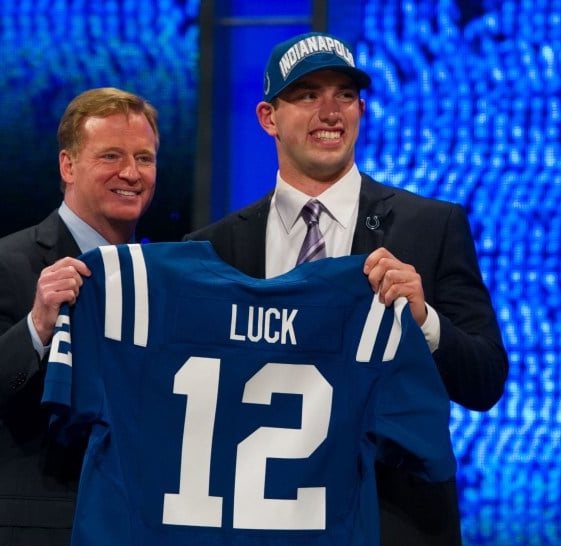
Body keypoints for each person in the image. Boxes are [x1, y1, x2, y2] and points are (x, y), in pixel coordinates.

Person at [184, 31, 508, 545]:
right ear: (269, 117)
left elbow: (487, 379)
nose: (330, 111)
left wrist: (423, 322)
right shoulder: (213, 249)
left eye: (345, 95)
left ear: (361, 111)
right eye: (308, 94)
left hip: (392, 521)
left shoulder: (431, 227)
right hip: (257, 524)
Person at [0, 86, 159, 545]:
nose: (131, 173)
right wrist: (36, 327)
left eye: (144, 158)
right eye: (111, 156)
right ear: (68, 166)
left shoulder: (161, 276)